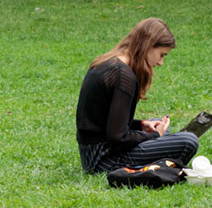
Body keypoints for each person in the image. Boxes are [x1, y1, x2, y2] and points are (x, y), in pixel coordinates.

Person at [75, 18, 200, 174]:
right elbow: (118, 138)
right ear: (148, 46)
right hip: (104, 161)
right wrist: (154, 135)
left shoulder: (109, 62)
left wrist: (142, 125)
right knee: (189, 141)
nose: (161, 62)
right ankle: (161, 167)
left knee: (158, 124)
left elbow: (105, 122)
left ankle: (158, 148)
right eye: (162, 55)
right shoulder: (123, 76)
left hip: (92, 153)